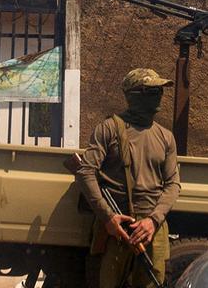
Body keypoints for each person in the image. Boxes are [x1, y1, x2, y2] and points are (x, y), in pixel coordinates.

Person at [67, 68, 181, 288]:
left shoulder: (166, 137)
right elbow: (85, 172)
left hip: (152, 230)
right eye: (152, 91)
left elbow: (172, 184)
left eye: (159, 91)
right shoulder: (109, 129)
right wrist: (108, 218)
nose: (159, 96)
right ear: (134, 95)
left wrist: (153, 220)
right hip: (118, 231)